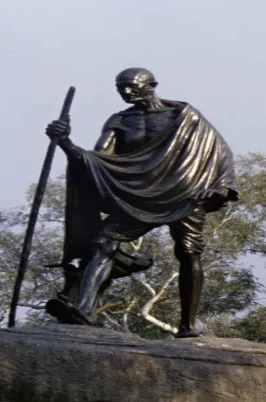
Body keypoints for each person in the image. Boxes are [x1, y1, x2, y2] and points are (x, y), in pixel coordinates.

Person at [44, 67, 238, 337]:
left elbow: (220, 151)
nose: (126, 92)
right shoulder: (119, 120)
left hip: (184, 192)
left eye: (132, 86)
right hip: (136, 196)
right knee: (103, 242)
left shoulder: (184, 115)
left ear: (152, 85)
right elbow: (97, 160)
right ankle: (85, 311)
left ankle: (187, 326)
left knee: (188, 253)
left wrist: (220, 188)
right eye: (120, 87)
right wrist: (65, 142)